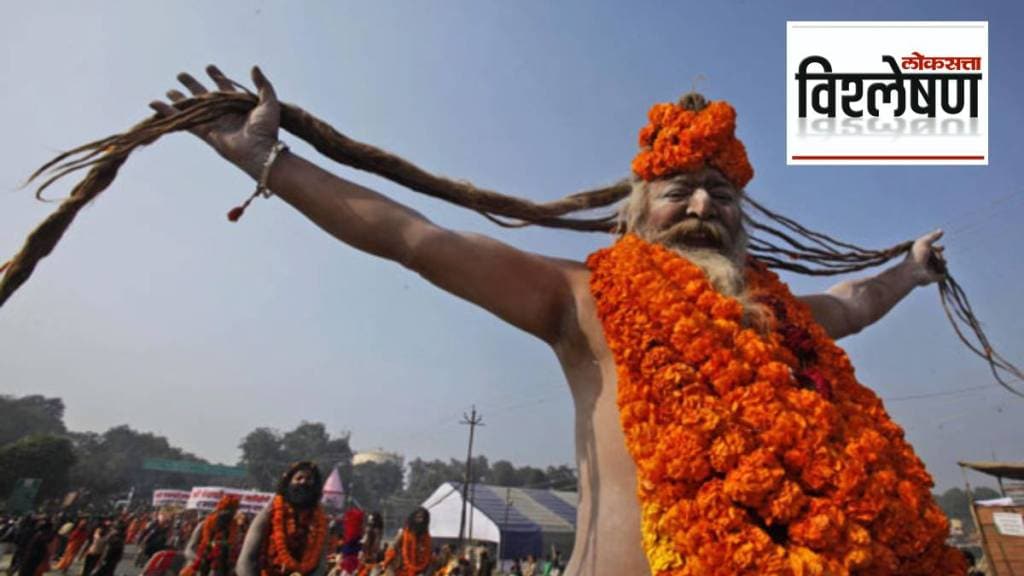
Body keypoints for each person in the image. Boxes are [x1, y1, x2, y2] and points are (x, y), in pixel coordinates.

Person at [151, 68, 964, 574]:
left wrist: (909, 272)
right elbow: (414, 238)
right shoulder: (584, 295)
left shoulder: (781, 322)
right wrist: (268, 161)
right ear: (637, 210)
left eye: (721, 189)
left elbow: (853, 307)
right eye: (679, 186)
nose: (703, 203)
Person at [236, 462, 329, 576]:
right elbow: (246, 560)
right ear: (289, 482)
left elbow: (321, 564)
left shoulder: (320, 521)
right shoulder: (270, 512)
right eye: (299, 478)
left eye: (309, 479)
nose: (303, 482)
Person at [182, 495, 244, 576]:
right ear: (221, 509)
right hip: (200, 565)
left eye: (233, 511)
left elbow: (235, 547)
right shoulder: (204, 524)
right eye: (228, 510)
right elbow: (189, 550)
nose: (230, 513)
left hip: (224, 565)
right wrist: (200, 560)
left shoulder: (234, 527)